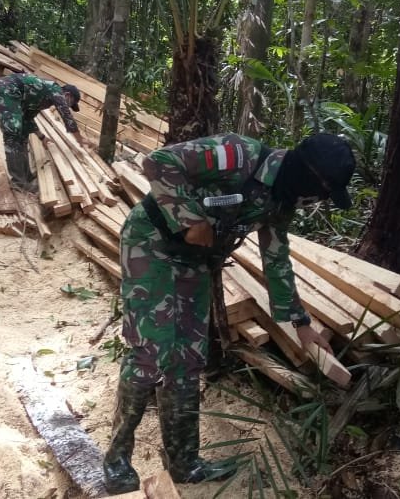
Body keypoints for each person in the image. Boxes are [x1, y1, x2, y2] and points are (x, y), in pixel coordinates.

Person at [103, 132, 356, 493]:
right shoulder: (237, 154)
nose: (316, 202)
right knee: (151, 353)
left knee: (188, 359)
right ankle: (116, 460)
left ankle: (185, 464)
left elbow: (276, 259)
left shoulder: (281, 202)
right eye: (321, 193)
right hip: (151, 245)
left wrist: (302, 324)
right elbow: (158, 162)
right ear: (309, 177)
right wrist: (192, 219)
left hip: (196, 261)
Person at [0, 72, 90, 184]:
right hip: (6, 90)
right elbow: (66, 116)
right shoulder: (55, 90)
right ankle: (19, 183)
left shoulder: (42, 97)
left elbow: (28, 118)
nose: (69, 106)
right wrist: (79, 139)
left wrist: (42, 138)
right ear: (68, 95)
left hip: (13, 94)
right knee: (13, 133)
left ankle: (26, 177)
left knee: (23, 134)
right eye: (71, 103)